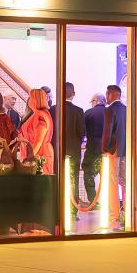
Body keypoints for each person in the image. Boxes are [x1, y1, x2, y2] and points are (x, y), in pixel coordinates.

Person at [104, 85, 128, 226]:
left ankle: (115, 215)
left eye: (107, 94)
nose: (106, 97)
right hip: (126, 151)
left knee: (112, 184)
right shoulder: (127, 109)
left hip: (113, 152)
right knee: (125, 184)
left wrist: (105, 150)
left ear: (112, 94)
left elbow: (108, 132)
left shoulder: (109, 110)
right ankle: (127, 211)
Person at [19, 88, 54, 174]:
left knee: (39, 184)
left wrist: (28, 159)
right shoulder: (40, 114)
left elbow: (39, 140)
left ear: (36, 99)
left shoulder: (40, 116)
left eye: (30, 97)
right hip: (36, 155)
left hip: (39, 156)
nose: (29, 100)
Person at [62, 82, 85, 217]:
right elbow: (81, 132)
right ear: (73, 94)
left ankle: (59, 209)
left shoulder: (53, 109)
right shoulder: (79, 111)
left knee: (59, 179)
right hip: (74, 152)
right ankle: (72, 210)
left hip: (58, 152)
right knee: (74, 180)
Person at [81, 93, 106, 208]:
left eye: (92, 102)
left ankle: (93, 201)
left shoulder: (89, 113)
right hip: (109, 150)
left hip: (93, 149)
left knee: (88, 173)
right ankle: (110, 202)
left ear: (95, 101)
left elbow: (83, 131)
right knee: (108, 176)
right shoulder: (110, 112)